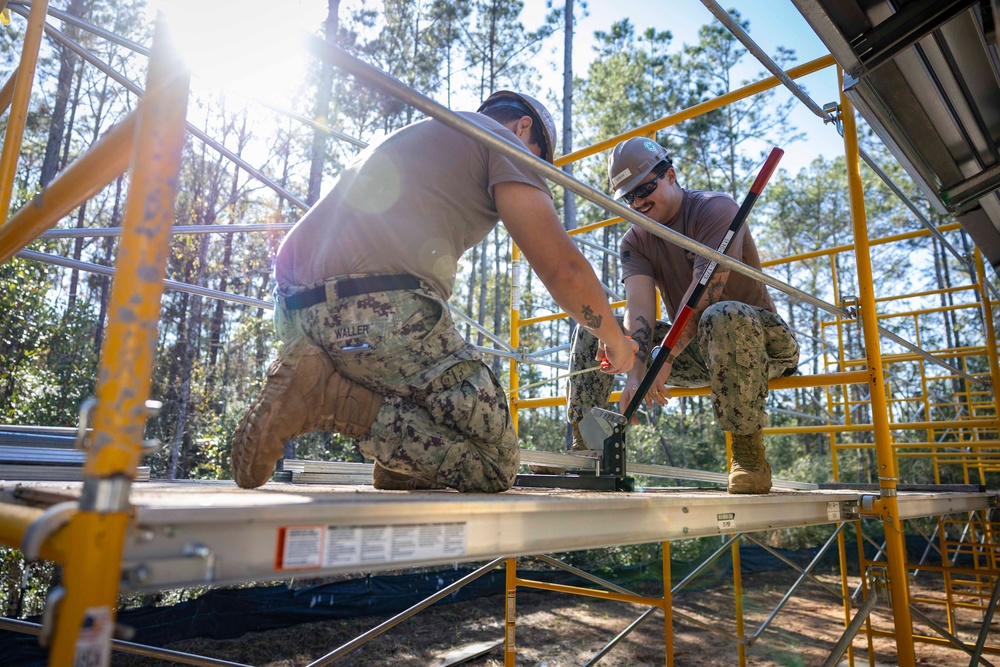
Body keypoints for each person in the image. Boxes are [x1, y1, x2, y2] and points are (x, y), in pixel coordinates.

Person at [230, 91, 638, 492]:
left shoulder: (429, 134)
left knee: (434, 397)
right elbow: (563, 269)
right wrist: (614, 340)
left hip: (291, 314)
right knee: (495, 463)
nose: (533, 171)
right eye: (538, 161)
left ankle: (405, 463)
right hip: (369, 309)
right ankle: (328, 401)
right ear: (523, 128)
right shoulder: (503, 141)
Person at [567, 137, 799, 494]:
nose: (639, 202)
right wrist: (636, 370)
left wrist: (667, 356)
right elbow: (638, 308)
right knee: (597, 328)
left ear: (671, 175)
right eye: (629, 196)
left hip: (759, 344)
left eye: (645, 188)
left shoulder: (715, 209)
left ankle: (749, 455)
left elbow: (707, 292)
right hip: (696, 349)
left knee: (722, 314)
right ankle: (586, 450)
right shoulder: (634, 241)